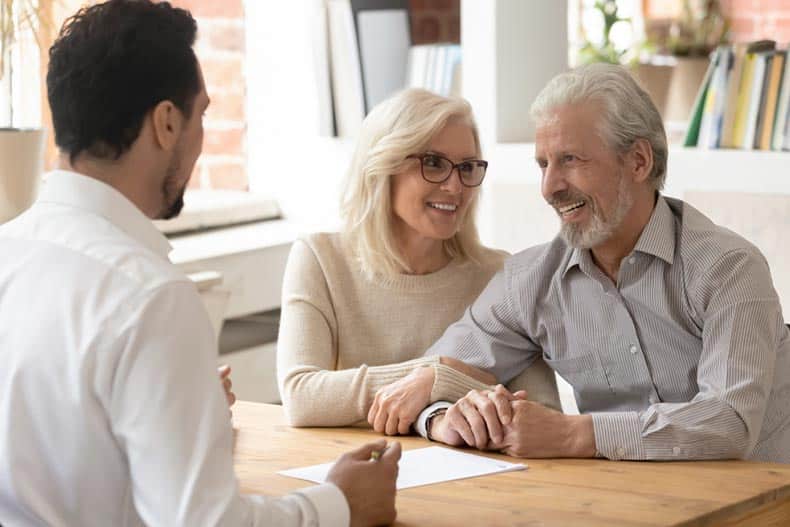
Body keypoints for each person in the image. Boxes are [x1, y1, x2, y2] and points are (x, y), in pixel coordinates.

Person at [0, 1, 400, 526]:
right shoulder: (149, 296)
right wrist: (338, 505)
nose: (201, 137)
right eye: (203, 113)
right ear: (167, 122)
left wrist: (180, 409)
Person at [401, 63, 790, 462]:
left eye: (570, 159)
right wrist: (443, 418)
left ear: (638, 162)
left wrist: (572, 435)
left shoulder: (729, 269)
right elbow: (420, 383)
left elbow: (730, 423)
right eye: (543, 164)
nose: (549, 187)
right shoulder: (530, 282)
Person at [276, 88, 560, 433]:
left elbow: (540, 411)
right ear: (383, 168)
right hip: (358, 469)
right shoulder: (320, 258)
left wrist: (434, 384)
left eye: (467, 167)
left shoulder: (499, 274)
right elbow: (302, 397)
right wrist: (440, 369)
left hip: (477, 478)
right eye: (434, 163)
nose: (456, 187)